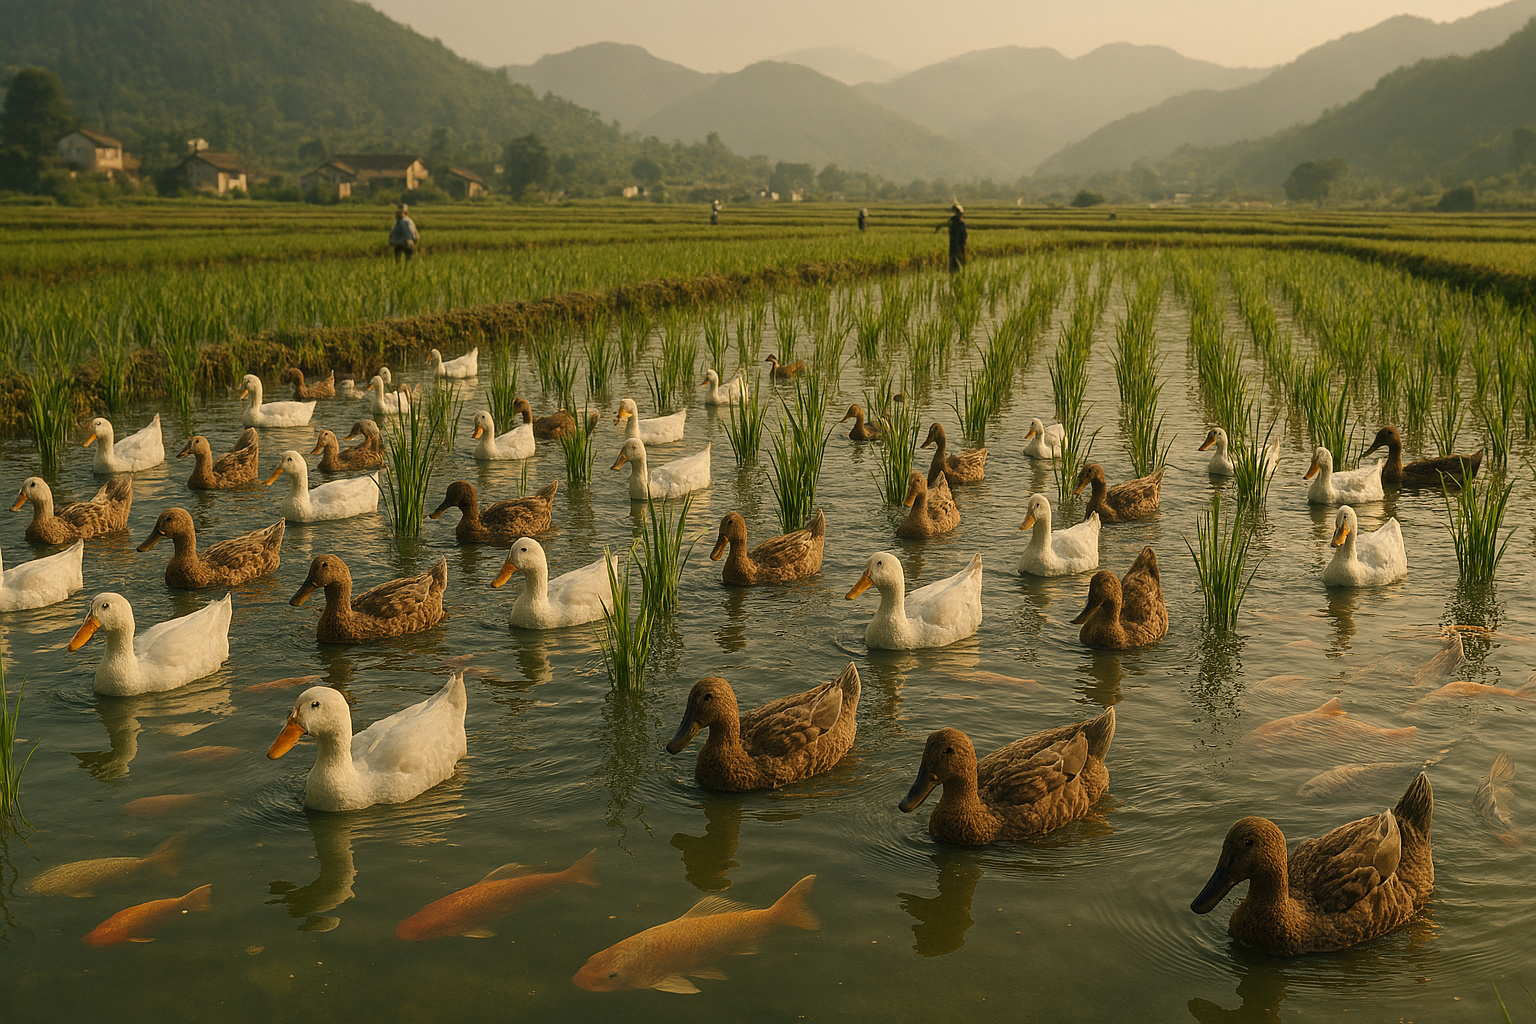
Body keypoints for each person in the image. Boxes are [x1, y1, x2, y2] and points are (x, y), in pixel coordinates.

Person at [936, 203, 967, 272]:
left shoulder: (952, 221)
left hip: (954, 247)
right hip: (958, 247)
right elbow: (963, 238)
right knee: (958, 265)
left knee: (954, 264)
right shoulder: (960, 223)